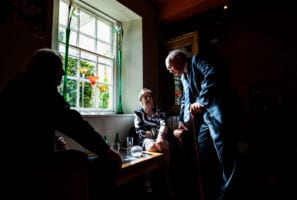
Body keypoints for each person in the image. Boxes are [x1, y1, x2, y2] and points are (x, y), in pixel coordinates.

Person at [0, 48, 122, 200]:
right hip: (25, 167)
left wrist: (56, 139)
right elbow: (73, 123)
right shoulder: (41, 87)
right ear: (48, 69)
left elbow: (28, 124)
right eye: (59, 68)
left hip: (12, 163)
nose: (63, 73)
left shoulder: (18, 84)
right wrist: (106, 150)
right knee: (102, 163)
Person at [165, 49, 243, 200]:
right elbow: (184, 100)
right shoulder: (183, 78)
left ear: (179, 59)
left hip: (220, 111)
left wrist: (200, 100)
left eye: (170, 66)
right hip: (207, 118)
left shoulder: (197, 60)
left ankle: (229, 193)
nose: (170, 71)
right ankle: (214, 189)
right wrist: (181, 119)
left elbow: (213, 73)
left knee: (225, 153)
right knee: (203, 150)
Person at [133, 88, 174, 196]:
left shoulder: (159, 111)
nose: (148, 98)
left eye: (150, 96)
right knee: (152, 146)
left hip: (160, 137)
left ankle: (166, 180)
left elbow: (164, 125)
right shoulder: (138, 113)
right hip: (145, 140)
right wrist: (155, 132)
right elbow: (140, 132)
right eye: (145, 97)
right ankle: (148, 179)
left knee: (165, 145)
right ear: (140, 100)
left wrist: (159, 136)